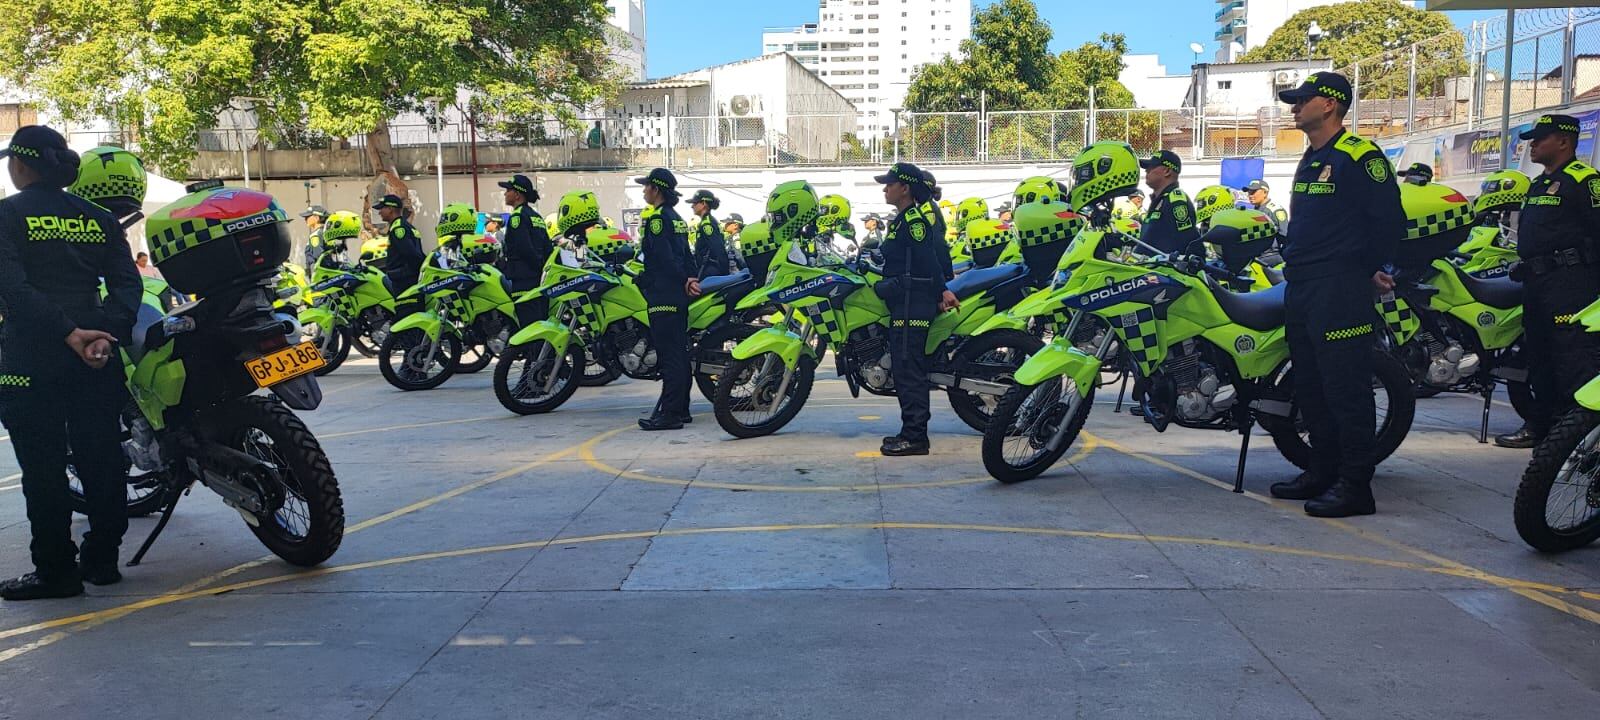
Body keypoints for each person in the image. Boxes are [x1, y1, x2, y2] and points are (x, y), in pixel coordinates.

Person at [0, 127, 142, 599]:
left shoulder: (8, 215)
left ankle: (56, 571)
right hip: (97, 355)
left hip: (30, 358)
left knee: (42, 469)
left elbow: (14, 291)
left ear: (19, 165)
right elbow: (128, 284)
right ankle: (102, 560)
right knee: (102, 458)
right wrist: (103, 335)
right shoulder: (98, 216)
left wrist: (67, 334)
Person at [1267, 72, 1404, 518]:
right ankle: (1322, 470)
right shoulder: (1311, 157)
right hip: (1303, 285)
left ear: (1329, 104)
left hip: (1340, 287)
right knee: (1311, 387)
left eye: (1301, 100)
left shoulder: (1358, 156)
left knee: (1347, 389)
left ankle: (1355, 486)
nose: (1294, 106)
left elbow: (1388, 221)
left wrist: (1372, 270)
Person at [1496, 114, 1600, 449]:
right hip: (1537, 283)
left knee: (1571, 359)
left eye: (1540, 138)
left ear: (1564, 141)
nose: (1533, 144)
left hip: (1571, 284)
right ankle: (1540, 427)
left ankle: (1576, 435)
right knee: (1538, 358)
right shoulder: (1539, 183)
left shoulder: (1585, 181)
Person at [874, 163, 959, 456]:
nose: (885, 188)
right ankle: (908, 431)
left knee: (910, 369)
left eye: (890, 183)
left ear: (905, 188)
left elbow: (929, 259)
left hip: (914, 302)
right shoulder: (902, 221)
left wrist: (942, 290)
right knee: (903, 366)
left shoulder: (915, 221)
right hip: (904, 301)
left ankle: (916, 437)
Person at [634, 168, 698, 431]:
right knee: (679, 355)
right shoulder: (678, 218)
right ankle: (680, 409)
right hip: (677, 294)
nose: (643, 190)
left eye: (646, 186)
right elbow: (687, 254)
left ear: (656, 189)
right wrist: (691, 278)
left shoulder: (658, 219)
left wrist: (682, 278)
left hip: (663, 294)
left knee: (669, 356)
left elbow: (665, 259)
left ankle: (669, 415)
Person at [497, 174, 553, 323]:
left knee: (527, 328)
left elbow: (524, 249)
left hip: (523, 281)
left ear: (517, 194)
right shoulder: (537, 217)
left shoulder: (517, 217)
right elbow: (548, 249)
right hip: (540, 282)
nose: (505, 193)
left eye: (508, 190)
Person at [1138, 150, 1200, 255]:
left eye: (1152, 167)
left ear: (1167, 171)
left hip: (1164, 270)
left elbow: (1189, 242)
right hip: (1148, 268)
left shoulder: (1176, 200)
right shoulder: (1160, 200)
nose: (1146, 170)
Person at [373, 194, 423, 291]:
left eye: (382, 208)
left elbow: (410, 253)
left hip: (405, 282)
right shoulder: (405, 226)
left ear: (391, 209)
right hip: (407, 278)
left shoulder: (398, 228)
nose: (379, 212)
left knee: (405, 306)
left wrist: (406, 274)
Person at [686, 189, 730, 279]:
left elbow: (718, 249)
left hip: (711, 272)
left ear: (704, 204)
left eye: (695, 203)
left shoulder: (707, 224)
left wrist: (725, 274)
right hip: (708, 270)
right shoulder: (706, 222)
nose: (692, 206)